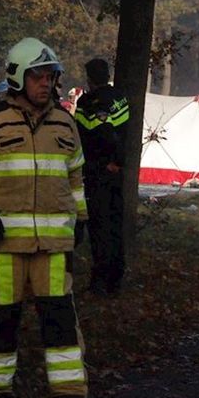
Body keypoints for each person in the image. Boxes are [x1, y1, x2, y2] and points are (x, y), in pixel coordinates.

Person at [0, 37, 89, 398]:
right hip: (3, 246)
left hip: (53, 247)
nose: (46, 83)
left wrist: (81, 219)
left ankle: (69, 395)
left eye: (51, 76)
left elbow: (76, 176)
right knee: (0, 322)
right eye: (38, 76)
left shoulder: (65, 123)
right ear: (17, 78)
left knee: (60, 321)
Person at [73, 58, 129, 295]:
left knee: (98, 226)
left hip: (96, 171)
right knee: (115, 224)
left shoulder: (87, 102)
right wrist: (118, 162)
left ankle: (100, 281)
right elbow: (124, 133)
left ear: (89, 77)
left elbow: (85, 135)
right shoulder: (121, 98)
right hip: (116, 172)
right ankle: (116, 278)